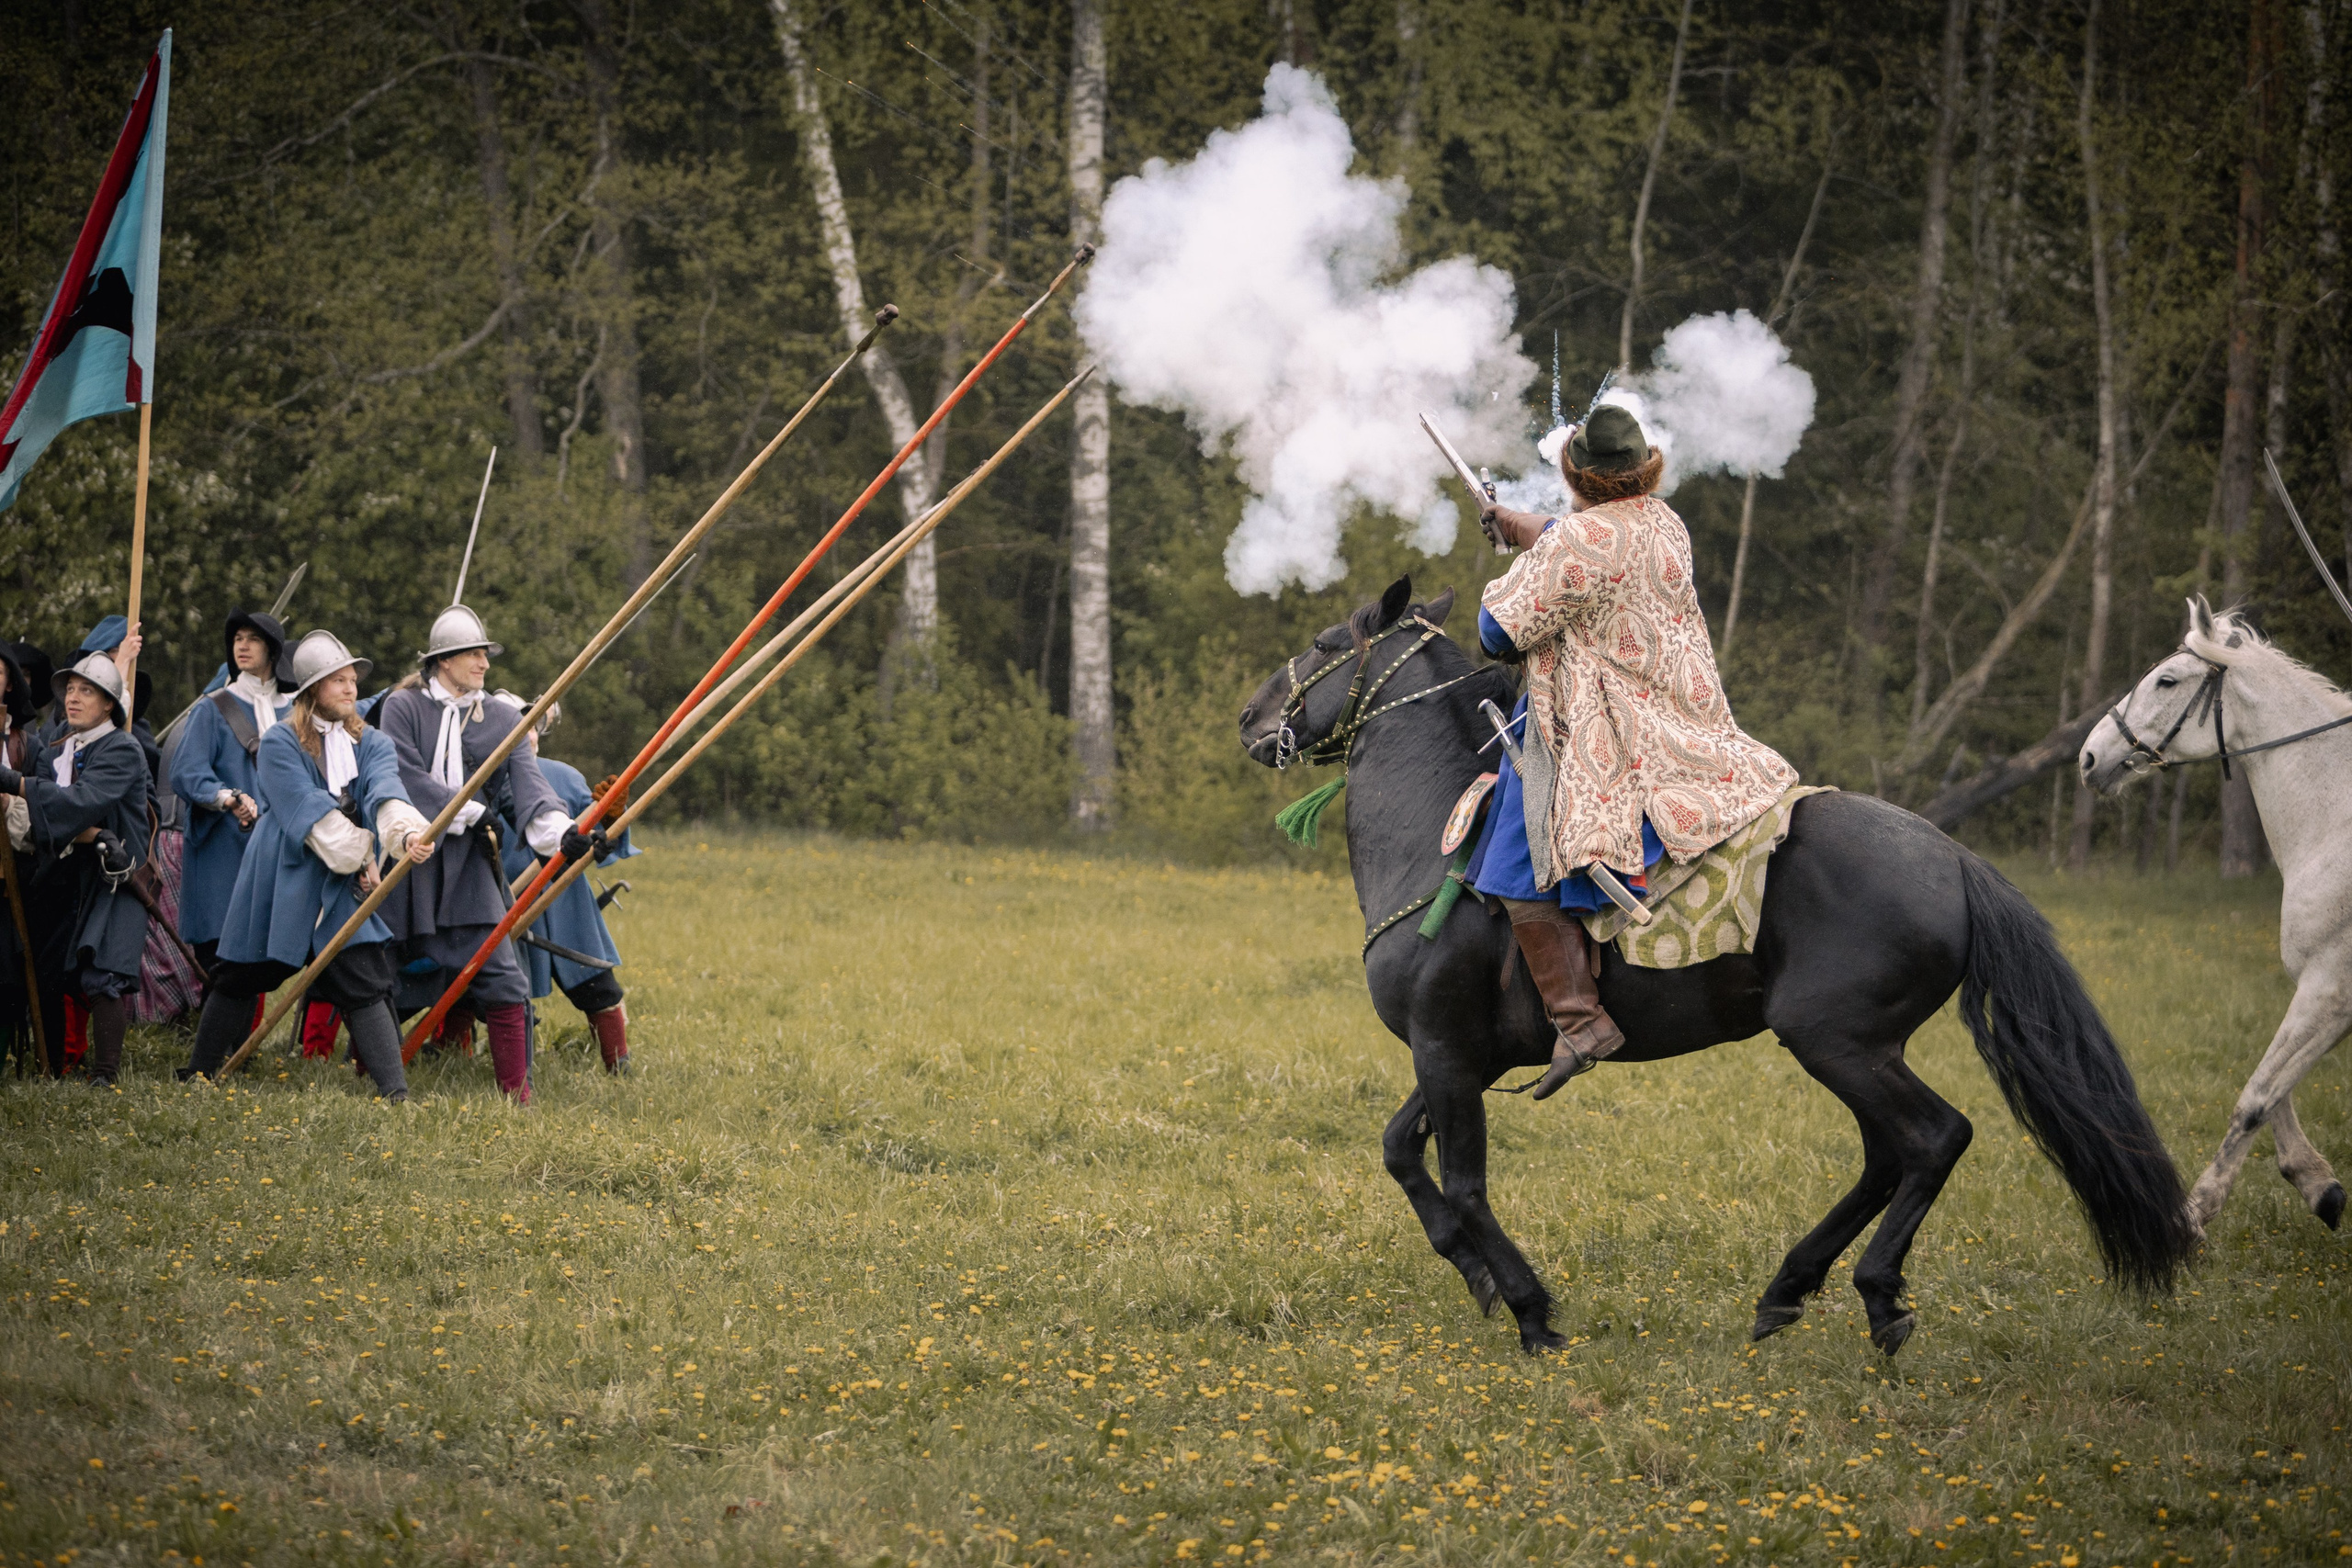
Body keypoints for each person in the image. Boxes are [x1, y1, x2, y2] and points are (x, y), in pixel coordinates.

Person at [1468, 404, 1797, 1098]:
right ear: (1642, 470)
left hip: (1609, 733)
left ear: (1575, 472)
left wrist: (1533, 545)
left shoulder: (1572, 544)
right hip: (1691, 727)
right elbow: (1592, 541)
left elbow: (1496, 630)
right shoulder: (1664, 521)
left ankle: (1579, 1018)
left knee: (1514, 852)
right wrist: (1527, 528)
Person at [179, 630, 434, 1097]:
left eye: (352, 679)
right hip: (283, 876)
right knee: (240, 974)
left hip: (340, 885)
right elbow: (309, 814)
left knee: (365, 977)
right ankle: (199, 1071)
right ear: (314, 688)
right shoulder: (279, 743)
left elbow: (385, 791)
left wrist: (406, 833)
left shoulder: (372, 742)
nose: (350, 688)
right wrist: (364, 857)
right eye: (337, 680)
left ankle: (396, 1095)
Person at [373, 605, 575, 1103]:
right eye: (472, 654)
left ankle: (517, 1095)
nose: (484, 663)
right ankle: (373, 1073)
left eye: (485, 654)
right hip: (410, 855)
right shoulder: (403, 707)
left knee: (505, 978)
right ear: (442, 661)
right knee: (375, 969)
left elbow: (525, 785)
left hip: (467, 868)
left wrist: (560, 832)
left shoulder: (504, 718)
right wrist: (465, 810)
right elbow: (405, 775)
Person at [0, 652, 152, 1085]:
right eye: (70, 689)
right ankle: (54, 1069)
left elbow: (78, 804)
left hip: (116, 879)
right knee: (50, 974)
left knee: (105, 971)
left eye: (88, 691)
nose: (73, 697)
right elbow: (50, 824)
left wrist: (14, 783)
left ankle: (105, 1076)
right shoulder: (54, 753)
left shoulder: (122, 750)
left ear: (110, 705)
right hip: (67, 876)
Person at [490, 691, 639, 1076]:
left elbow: (598, 840)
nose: (526, 734)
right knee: (486, 986)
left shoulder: (563, 775)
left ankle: (618, 1067)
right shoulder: (479, 782)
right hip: (503, 900)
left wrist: (610, 819)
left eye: (530, 725)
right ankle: (452, 1051)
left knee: (597, 987)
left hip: (565, 901)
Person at [171, 610, 295, 974]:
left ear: (272, 651)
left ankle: (251, 1033)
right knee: (222, 961)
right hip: (224, 848)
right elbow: (187, 771)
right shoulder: (213, 707)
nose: (242, 645)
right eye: (238, 638)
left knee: (263, 957)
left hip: (277, 847)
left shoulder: (293, 712)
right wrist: (227, 797)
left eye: (253, 638)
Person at [0, 643, 54, 1068]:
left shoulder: (26, 746)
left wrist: (13, 806)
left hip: (9, 878)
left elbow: (46, 807)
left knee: (6, 976)